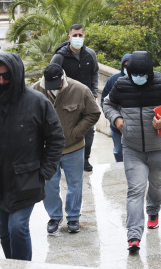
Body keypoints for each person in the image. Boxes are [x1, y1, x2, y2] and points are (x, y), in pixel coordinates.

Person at [0, 52, 65, 261]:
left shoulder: (38, 102)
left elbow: (56, 138)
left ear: (17, 75)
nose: (1, 81)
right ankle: (13, 264)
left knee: (17, 227)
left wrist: (45, 172)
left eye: (6, 77)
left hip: (27, 179)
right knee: (3, 231)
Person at [103, 51, 161, 251]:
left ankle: (153, 211)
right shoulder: (122, 84)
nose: (137, 77)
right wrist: (116, 119)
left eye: (141, 74)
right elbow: (108, 103)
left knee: (156, 184)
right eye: (134, 74)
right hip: (132, 148)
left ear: (149, 72)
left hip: (158, 148)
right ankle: (133, 236)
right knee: (135, 189)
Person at [34, 63, 100, 234]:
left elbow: (94, 113)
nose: (54, 90)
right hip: (48, 150)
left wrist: (77, 132)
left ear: (63, 78)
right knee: (49, 184)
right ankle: (55, 216)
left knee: (75, 184)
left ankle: (73, 217)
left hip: (74, 147)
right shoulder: (35, 91)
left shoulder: (80, 90)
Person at [50, 24, 99, 172]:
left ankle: (85, 159)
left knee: (88, 130)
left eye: (80, 35)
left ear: (84, 37)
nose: (78, 38)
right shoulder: (60, 56)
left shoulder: (90, 54)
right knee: (65, 130)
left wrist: (94, 93)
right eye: (75, 35)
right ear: (69, 37)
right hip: (66, 101)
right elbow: (51, 75)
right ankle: (63, 158)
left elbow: (95, 73)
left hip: (85, 100)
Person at [101, 53, 131, 162]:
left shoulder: (139, 81)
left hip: (134, 128)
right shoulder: (113, 80)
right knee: (119, 151)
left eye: (130, 65)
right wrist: (114, 118)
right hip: (117, 127)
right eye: (125, 66)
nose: (127, 68)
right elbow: (104, 101)